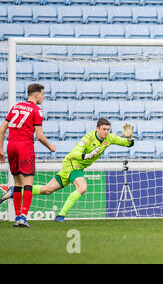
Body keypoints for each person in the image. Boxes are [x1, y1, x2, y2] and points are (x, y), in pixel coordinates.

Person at [1, 117, 134, 222]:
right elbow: (75, 153)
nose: (106, 132)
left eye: (108, 129)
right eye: (104, 129)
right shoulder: (88, 138)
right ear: (97, 129)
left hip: (77, 166)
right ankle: (60, 216)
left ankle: (15, 191)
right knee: (82, 187)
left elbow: (127, 144)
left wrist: (129, 137)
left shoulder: (109, 138)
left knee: (47, 189)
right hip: (72, 163)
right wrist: (86, 156)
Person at [0, 83, 56, 227]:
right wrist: (51, 147)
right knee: (28, 184)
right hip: (25, 147)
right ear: (36, 94)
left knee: (17, 183)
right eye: (42, 94)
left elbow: (2, 129)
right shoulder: (37, 110)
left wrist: (0, 150)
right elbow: (40, 135)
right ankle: (23, 217)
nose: (43, 97)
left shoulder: (15, 107)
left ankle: (17, 217)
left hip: (11, 146)